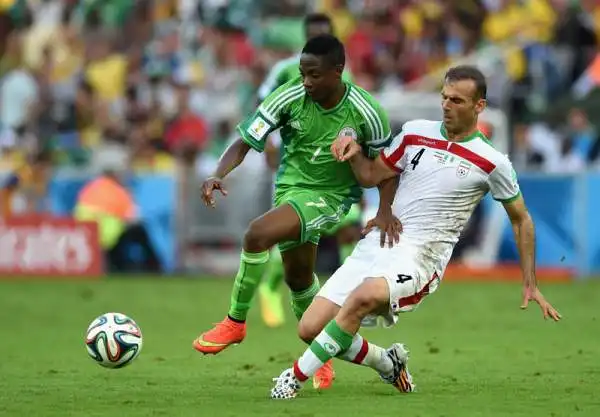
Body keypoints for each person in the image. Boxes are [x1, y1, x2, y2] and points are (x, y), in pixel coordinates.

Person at [270, 65, 562, 400]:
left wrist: (530, 282)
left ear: (479, 106)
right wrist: (353, 153)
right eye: (444, 97)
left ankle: (292, 378)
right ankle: (387, 362)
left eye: (457, 100)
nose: (447, 105)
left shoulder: (492, 162)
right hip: (378, 244)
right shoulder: (414, 132)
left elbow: (521, 219)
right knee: (309, 328)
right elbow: (371, 175)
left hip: (421, 257)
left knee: (363, 298)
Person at [193, 34, 399, 391]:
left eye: (315, 75)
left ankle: (235, 322)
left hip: (332, 198)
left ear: (338, 71)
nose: (306, 81)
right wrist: (217, 173)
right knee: (299, 280)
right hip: (290, 191)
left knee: (256, 235)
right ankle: (325, 360)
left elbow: (387, 167)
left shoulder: (367, 111)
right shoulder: (290, 95)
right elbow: (246, 139)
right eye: (303, 73)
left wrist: (384, 211)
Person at [257, 13, 359, 330]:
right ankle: (270, 289)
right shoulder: (285, 70)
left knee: (350, 227)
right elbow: (264, 107)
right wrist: (270, 143)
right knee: (295, 233)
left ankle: (348, 297)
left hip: (333, 166)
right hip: (296, 164)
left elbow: (352, 116)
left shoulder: (346, 74)